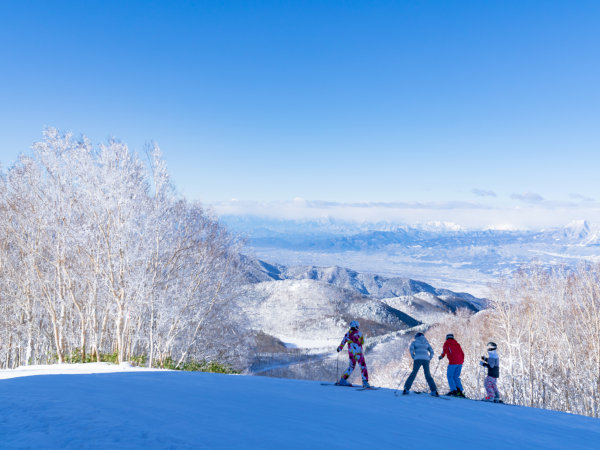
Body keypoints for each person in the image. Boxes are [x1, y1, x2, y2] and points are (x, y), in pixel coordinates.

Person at [402, 332, 439, 396]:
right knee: (428, 375)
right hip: (426, 359)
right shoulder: (426, 343)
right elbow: (432, 352)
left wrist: (413, 356)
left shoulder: (414, 342)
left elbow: (411, 349)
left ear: (416, 337)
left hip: (417, 359)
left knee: (413, 373)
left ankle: (406, 389)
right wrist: (429, 357)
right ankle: (434, 391)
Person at [336, 320, 370, 388]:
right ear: (356, 326)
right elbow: (363, 342)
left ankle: (343, 380)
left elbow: (342, 344)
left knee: (351, 367)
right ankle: (365, 382)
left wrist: (339, 349)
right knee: (363, 367)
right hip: (359, 354)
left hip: (351, 354)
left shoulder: (347, 334)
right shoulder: (359, 333)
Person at [438, 333, 465, 397]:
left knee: (450, 376)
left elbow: (444, 351)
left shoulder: (447, 343)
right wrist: (461, 361)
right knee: (456, 377)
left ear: (447, 338)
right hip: (460, 362)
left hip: (453, 362)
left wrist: (441, 356)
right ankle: (460, 391)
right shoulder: (457, 344)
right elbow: (462, 353)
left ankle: (453, 391)